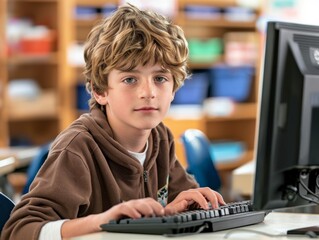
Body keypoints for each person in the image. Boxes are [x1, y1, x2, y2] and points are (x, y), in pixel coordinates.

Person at [1, 4, 225, 240]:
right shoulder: (78, 148)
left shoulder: (160, 137)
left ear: (174, 89)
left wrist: (173, 211)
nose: (148, 92)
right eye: (130, 79)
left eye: (160, 78)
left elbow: (177, 202)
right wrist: (101, 222)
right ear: (100, 91)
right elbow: (18, 231)